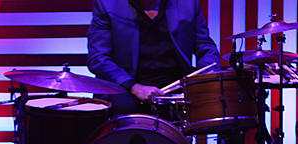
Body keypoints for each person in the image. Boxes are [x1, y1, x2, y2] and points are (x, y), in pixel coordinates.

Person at [87, 0, 220, 115]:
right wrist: (134, 86)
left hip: (176, 83)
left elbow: (204, 45)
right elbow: (98, 58)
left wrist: (206, 75)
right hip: (127, 85)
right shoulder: (108, 4)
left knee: (217, 103)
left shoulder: (188, 3)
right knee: (124, 107)